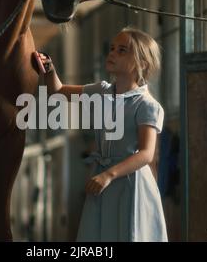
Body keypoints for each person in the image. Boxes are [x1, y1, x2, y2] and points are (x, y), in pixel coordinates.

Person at [37, 27, 167, 242]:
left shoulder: (146, 105)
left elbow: (146, 154)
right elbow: (58, 91)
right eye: (112, 48)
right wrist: (49, 68)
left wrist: (109, 175)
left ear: (142, 64)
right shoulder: (101, 91)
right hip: (101, 179)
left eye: (122, 50)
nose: (113, 53)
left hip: (128, 183)